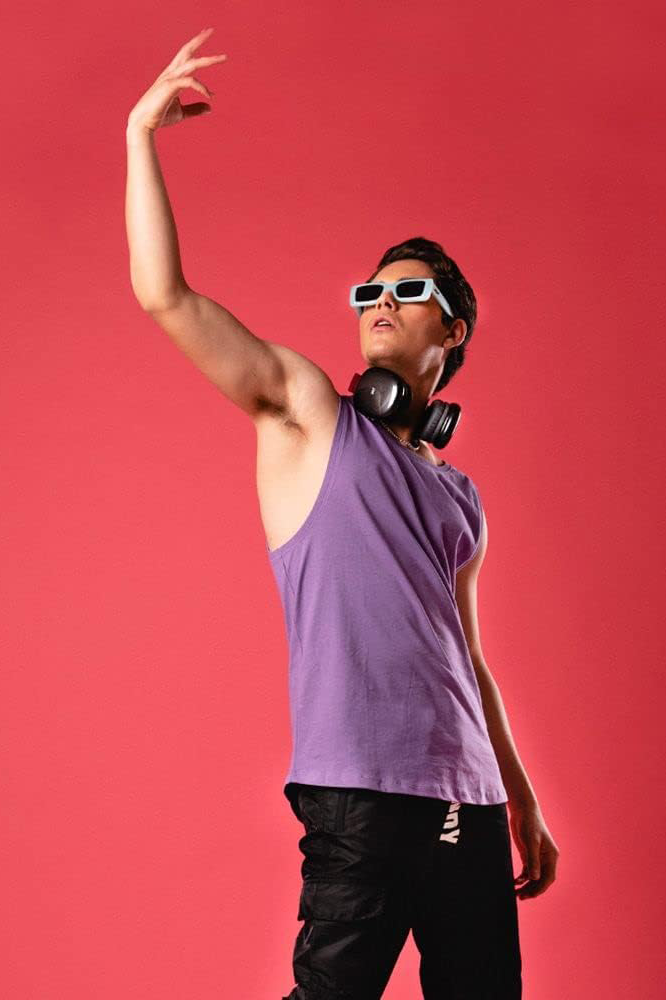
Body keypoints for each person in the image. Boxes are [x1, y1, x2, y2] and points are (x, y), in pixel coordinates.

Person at [125, 28, 560, 999]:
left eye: (409, 291)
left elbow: (467, 656)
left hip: (471, 802)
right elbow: (165, 296)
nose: (381, 302)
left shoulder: (459, 495)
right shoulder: (309, 413)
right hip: (358, 794)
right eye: (371, 291)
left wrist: (521, 798)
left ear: (452, 330)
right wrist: (138, 137)